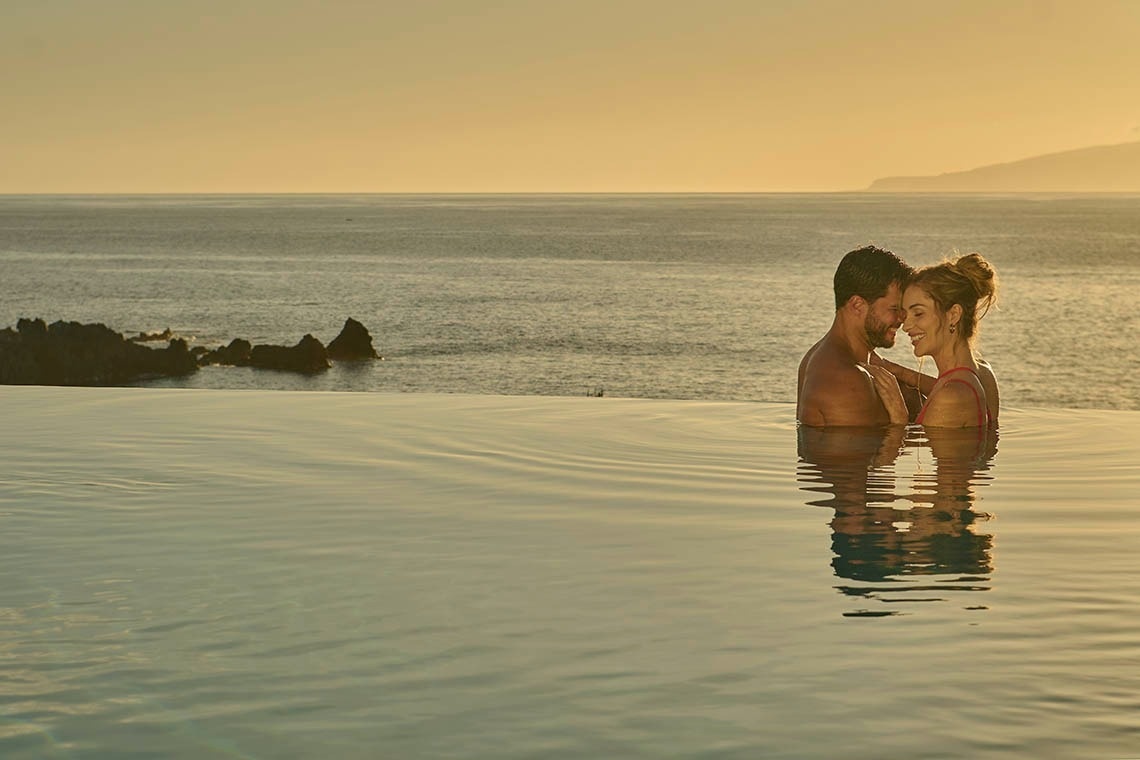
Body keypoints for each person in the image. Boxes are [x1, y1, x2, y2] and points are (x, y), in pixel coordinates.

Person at [797, 245, 914, 427]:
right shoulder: (845, 380)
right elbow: (860, 447)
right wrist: (899, 421)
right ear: (857, 305)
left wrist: (903, 374)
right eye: (894, 308)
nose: (902, 318)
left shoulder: (823, 357)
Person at [897, 252, 1000, 428]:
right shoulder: (984, 373)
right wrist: (896, 371)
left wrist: (896, 415)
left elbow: (949, 396)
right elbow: (944, 386)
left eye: (918, 313)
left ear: (953, 315)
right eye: (905, 315)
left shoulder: (951, 396)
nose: (905, 326)